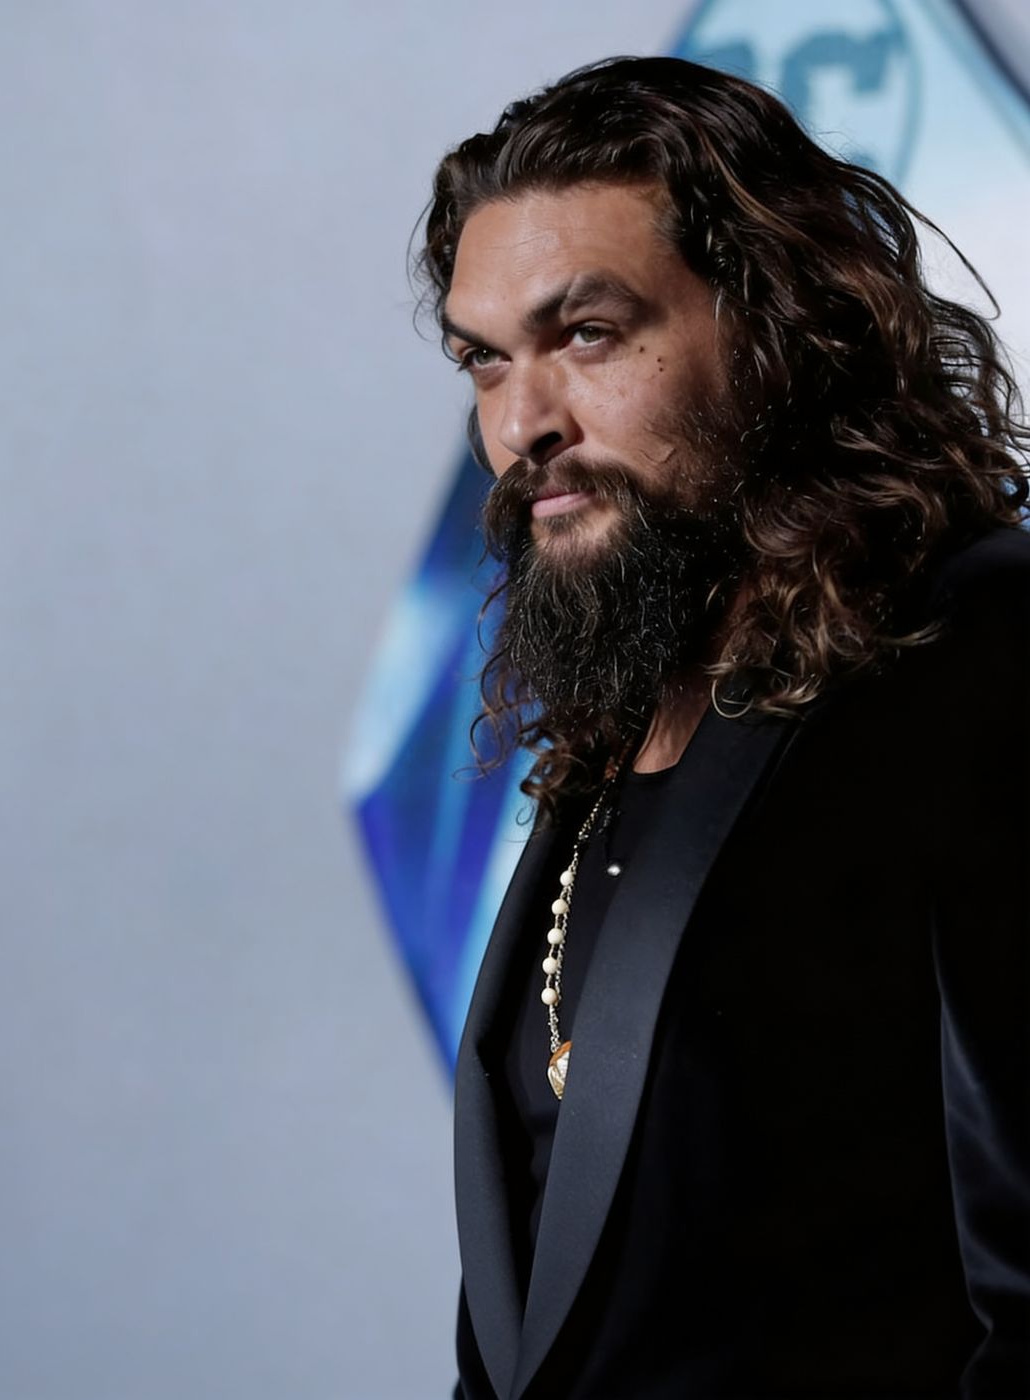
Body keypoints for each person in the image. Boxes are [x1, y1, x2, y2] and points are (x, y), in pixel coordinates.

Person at [417, 56, 1030, 1399]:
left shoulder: (981, 647)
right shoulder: (629, 699)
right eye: (485, 359)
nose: (522, 423)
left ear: (775, 325)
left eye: (589, 334)